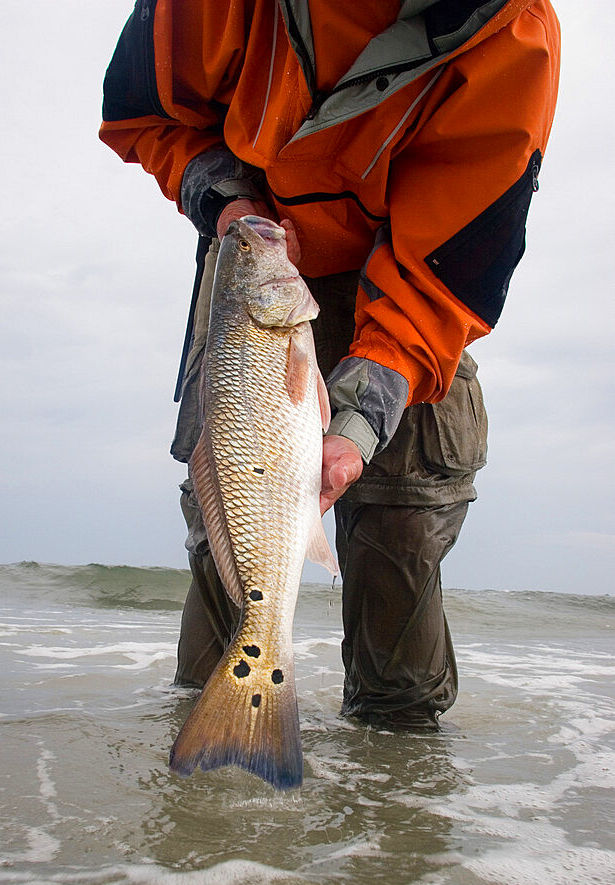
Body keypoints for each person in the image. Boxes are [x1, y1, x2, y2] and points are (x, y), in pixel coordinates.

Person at [100, 0, 560, 730]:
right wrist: (230, 205)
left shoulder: (510, 31)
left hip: (404, 283)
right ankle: (213, 764)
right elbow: (145, 114)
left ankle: (394, 801)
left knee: (399, 533)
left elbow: (449, 265)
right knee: (223, 555)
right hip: (255, 256)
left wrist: (358, 420)